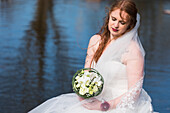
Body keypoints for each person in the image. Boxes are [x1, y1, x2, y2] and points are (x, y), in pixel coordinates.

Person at [29, 0, 158, 113]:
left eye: (122, 22)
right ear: (108, 17)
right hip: (94, 100)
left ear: (130, 25)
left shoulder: (133, 51)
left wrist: (104, 106)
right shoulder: (95, 41)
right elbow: (87, 74)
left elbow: (134, 92)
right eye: (113, 19)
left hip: (120, 106)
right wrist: (83, 96)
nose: (116, 25)